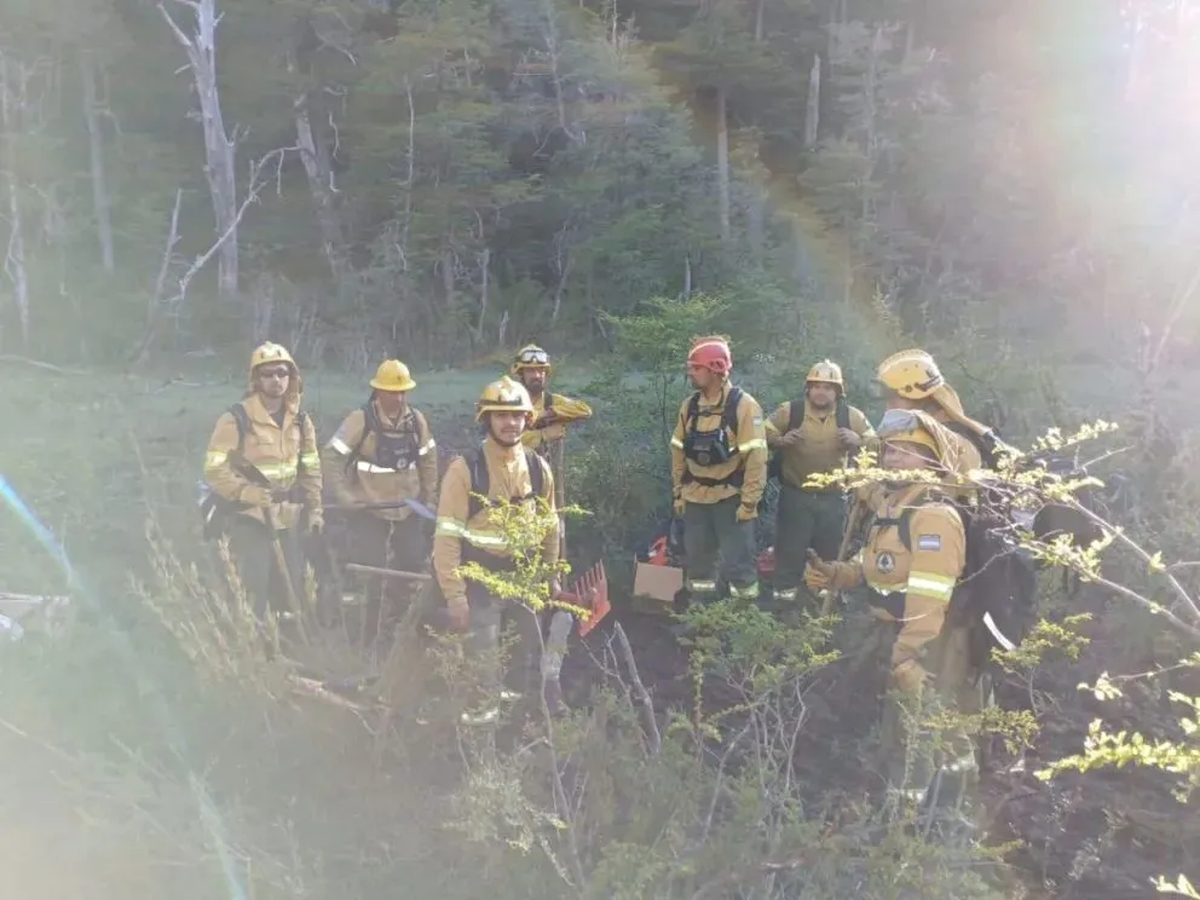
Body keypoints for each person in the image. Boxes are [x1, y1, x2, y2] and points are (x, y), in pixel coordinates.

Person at [804, 408, 982, 806]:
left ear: (932, 461)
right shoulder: (891, 507)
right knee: (904, 728)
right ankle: (919, 805)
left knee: (916, 735)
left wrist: (908, 654)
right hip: (897, 636)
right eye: (890, 451)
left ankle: (914, 823)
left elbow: (929, 596)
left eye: (907, 451)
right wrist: (836, 574)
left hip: (929, 645)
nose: (894, 458)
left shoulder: (934, 516)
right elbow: (876, 567)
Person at [433, 376, 560, 724]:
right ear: (486, 419)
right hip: (480, 579)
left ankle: (513, 727)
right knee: (483, 660)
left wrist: (549, 577)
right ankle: (479, 736)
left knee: (524, 657)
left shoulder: (537, 467)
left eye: (517, 415)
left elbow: (550, 527)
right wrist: (456, 597)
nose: (510, 423)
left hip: (524, 576)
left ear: (528, 419)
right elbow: (446, 538)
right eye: (501, 415)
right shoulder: (465, 469)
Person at [202, 342, 323, 624]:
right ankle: (250, 651)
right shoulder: (236, 419)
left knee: (292, 588)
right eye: (268, 374)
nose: (276, 380)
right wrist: (248, 492)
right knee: (251, 587)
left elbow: (312, 469)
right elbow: (214, 468)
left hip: (287, 518)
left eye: (282, 373)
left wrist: (315, 510)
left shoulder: (301, 421)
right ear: (256, 379)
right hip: (250, 518)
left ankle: (286, 647)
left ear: (291, 377)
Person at [322, 358, 438, 645]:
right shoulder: (360, 420)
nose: (397, 398)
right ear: (378, 391)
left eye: (402, 392)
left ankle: (401, 626)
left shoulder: (417, 421)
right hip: (369, 508)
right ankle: (365, 632)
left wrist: (429, 498)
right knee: (370, 570)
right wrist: (344, 495)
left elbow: (429, 460)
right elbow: (331, 456)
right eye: (391, 392)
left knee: (412, 564)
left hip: (407, 508)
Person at [764, 359, 878, 605]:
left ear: (837, 391)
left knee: (829, 553)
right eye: (816, 386)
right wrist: (780, 440)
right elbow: (762, 431)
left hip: (833, 498)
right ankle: (784, 605)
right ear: (808, 388)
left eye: (828, 387)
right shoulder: (791, 411)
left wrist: (857, 440)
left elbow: (876, 443)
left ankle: (825, 603)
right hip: (796, 496)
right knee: (789, 553)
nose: (821, 391)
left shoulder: (851, 416)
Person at [669, 336, 768, 605]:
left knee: (740, 567)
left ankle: (742, 624)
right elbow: (677, 450)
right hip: (695, 499)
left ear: (715, 369)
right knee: (699, 568)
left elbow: (756, 458)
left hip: (731, 500)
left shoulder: (744, 406)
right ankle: (701, 623)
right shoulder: (690, 406)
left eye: (696, 368)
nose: (690, 373)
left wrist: (749, 502)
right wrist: (679, 493)